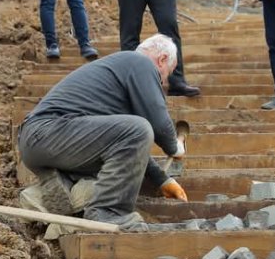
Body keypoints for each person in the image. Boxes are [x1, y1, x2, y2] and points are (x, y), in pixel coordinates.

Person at [17, 34, 188, 232]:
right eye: (167, 74)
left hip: (44, 140)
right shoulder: (140, 62)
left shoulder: (118, 81)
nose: (164, 82)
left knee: (135, 131)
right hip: (49, 131)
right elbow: (157, 123)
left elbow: (127, 146)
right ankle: (107, 212)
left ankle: (55, 193)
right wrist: (174, 146)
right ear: (163, 59)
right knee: (139, 128)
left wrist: (162, 180)